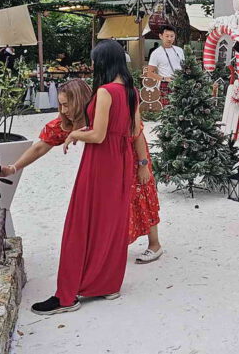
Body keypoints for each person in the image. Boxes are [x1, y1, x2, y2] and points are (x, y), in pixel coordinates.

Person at [30, 41, 143, 315]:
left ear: (104, 62)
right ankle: (107, 284)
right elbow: (134, 130)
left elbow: (98, 135)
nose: (92, 66)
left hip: (100, 161)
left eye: (94, 61)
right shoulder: (132, 91)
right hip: (121, 160)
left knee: (80, 223)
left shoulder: (105, 91)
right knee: (110, 224)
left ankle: (66, 296)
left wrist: (74, 134)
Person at [0, 79, 163, 264]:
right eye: (60, 105)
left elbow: (137, 134)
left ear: (78, 102)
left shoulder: (101, 111)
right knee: (111, 204)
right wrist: (13, 168)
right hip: (108, 164)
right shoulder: (67, 122)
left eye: (66, 105)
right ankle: (111, 247)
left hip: (133, 156)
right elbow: (40, 147)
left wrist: (143, 165)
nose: (63, 110)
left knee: (141, 195)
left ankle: (154, 244)